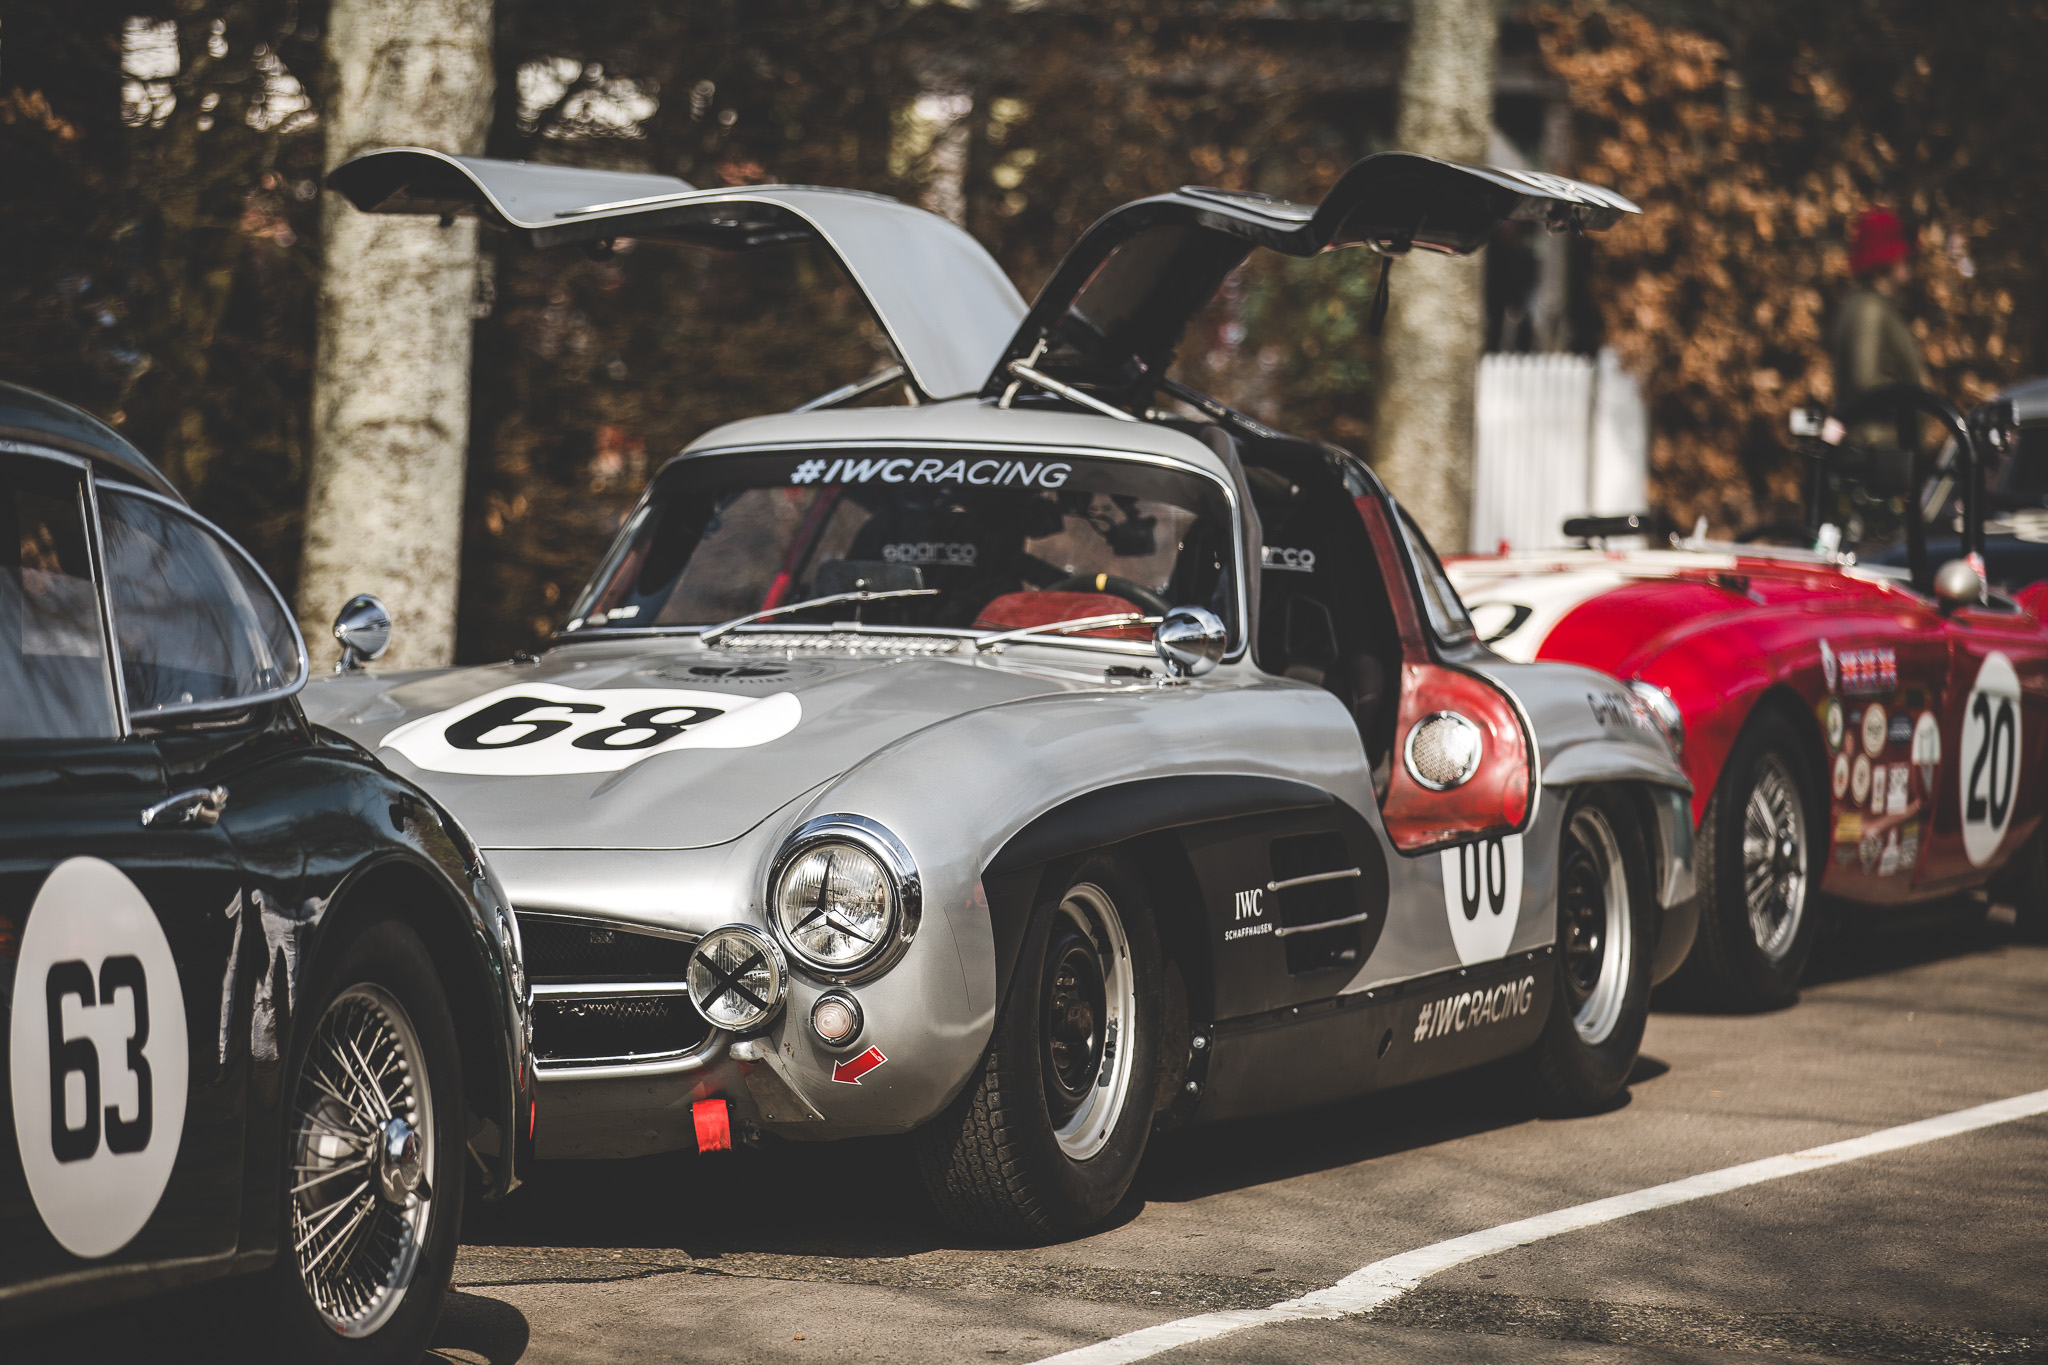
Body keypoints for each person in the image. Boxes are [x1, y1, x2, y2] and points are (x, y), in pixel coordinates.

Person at [1830, 208, 1927, 443]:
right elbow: (1865, 383)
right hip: (1875, 448)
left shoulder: (1877, 305)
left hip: (1884, 446)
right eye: (1905, 255)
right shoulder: (1869, 308)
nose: (1909, 262)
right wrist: (1914, 400)